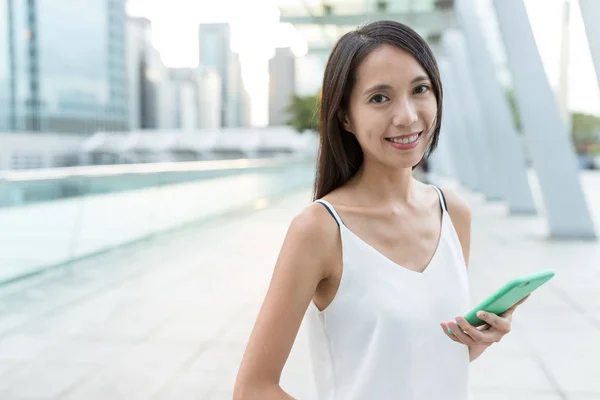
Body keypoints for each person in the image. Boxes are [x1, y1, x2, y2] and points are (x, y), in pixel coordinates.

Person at [234, 20, 528, 400]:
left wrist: (477, 341)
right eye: (379, 98)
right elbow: (253, 388)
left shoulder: (453, 212)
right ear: (344, 117)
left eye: (420, 89)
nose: (406, 116)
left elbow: (417, 361)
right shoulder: (320, 229)